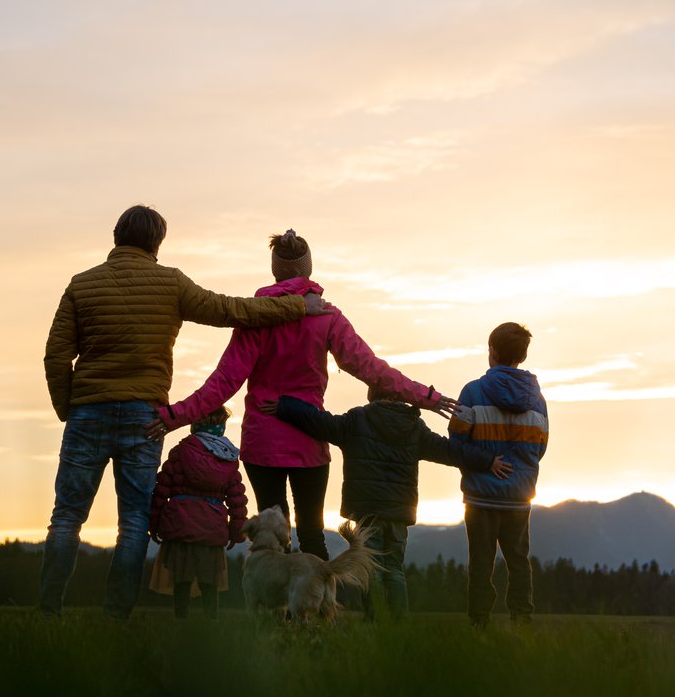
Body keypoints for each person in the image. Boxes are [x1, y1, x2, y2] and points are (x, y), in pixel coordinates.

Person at [38, 205, 330, 620]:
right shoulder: (170, 283)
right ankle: (116, 614)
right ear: (157, 243)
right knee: (134, 520)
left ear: (117, 236)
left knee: (67, 516)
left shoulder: (81, 285)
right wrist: (299, 308)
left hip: (88, 410)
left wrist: (67, 406)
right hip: (145, 415)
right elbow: (233, 310)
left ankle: (49, 609)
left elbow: (56, 356)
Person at [148, 229, 452, 562]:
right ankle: (321, 611)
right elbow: (373, 370)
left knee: (273, 537)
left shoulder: (257, 316)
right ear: (307, 268)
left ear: (275, 269)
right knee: (311, 534)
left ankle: (277, 613)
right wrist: (428, 397)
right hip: (309, 438)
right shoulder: (327, 317)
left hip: (262, 442)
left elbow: (221, 384)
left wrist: (172, 416)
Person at [260, 387, 511, 620]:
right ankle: (397, 626)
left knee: (372, 571)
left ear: (372, 396)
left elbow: (318, 420)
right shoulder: (414, 427)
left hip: (368, 511)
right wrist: (487, 461)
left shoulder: (357, 420)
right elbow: (451, 451)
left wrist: (285, 406)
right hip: (399, 513)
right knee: (394, 570)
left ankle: (375, 622)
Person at [448, 322, 548, 626]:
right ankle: (522, 620)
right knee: (519, 562)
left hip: (480, 497)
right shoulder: (537, 400)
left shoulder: (472, 391)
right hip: (519, 497)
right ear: (523, 356)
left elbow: (456, 444)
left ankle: (479, 623)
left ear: (491, 351)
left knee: (480, 564)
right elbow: (540, 446)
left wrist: (484, 462)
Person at [147, 407, 247, 620]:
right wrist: (237, 532)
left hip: (180, 526)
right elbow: (237, 501)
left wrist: (153, 523)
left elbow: (161, 490)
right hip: (212, 530)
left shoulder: (180, 452)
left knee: (181, 580)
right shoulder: (228, 458)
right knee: (209, 581)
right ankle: (211, 621)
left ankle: (180, 619)